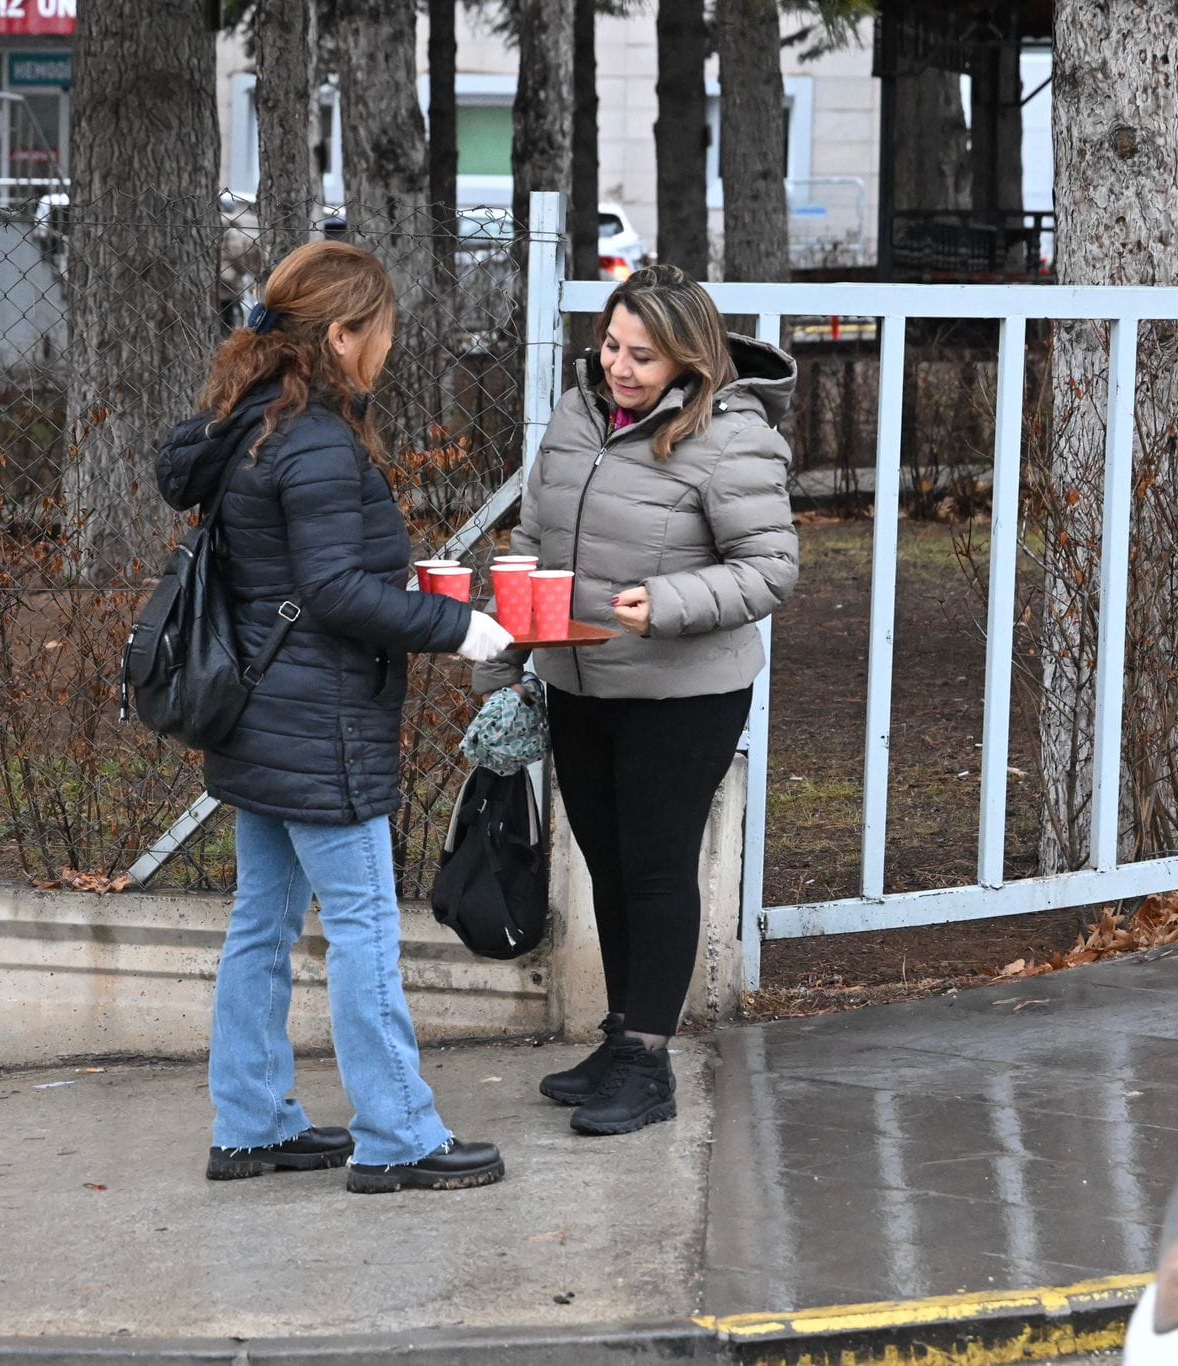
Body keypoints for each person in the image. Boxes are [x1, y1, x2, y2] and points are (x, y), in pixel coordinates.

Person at [155, 241, 513, 1194]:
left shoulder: (250, 425)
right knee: (361, 929)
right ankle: (399, 1135)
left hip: (259, 714)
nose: (386, 350)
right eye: (383, 332)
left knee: (261, 922)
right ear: (345, 334)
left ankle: (250, 1125)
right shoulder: (312, 439)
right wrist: (459, 628)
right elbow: (329, 590)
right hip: (320, 723)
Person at [473, 264, 799, 1137]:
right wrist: (510, 643)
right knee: (608, 863)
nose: (619, 366)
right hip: (579, 675)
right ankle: (622, 1038)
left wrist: (668, 604)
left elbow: (771, 569)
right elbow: (537, 532)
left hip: (680, 689)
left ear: (689, 359)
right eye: (613, 345)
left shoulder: (735, 437)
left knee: (655, 867)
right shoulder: (579, 412)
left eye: (643, 356)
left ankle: (650, 1063)